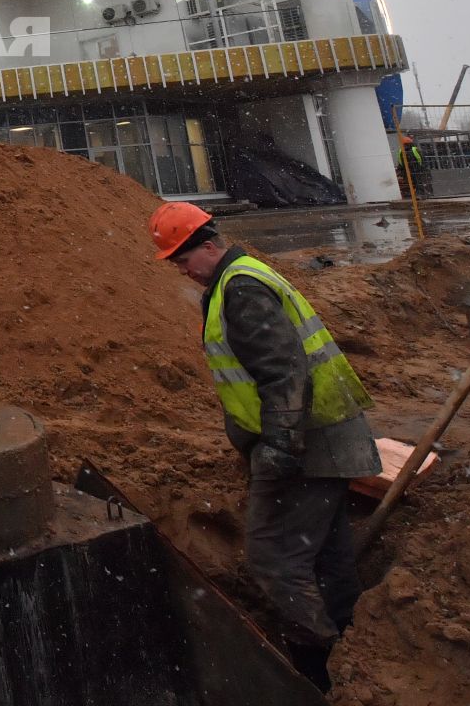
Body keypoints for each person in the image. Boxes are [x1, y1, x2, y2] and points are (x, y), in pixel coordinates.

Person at [149, 202, 381, 692]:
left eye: (183, 258)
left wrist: (278, 445)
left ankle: (316, 672)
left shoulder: (242, 288)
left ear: (209, 246)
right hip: (324, 437)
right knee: (327, 557)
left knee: (275, 559)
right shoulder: (238, 279)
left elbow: (283, 371)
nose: (181, 270)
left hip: (305, 444)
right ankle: (356, 657)